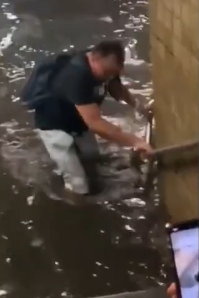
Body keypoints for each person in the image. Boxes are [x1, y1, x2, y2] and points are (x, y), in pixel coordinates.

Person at [24, 40, 153, 196]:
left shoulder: (104, 66)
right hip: (54, 125)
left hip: (78, 120)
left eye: (113, 73)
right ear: (93, 59)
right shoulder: (76, 76)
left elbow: (115, 87)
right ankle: (74, 202)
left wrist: (139, 106)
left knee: (92, 158)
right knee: (79, 185)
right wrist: (136, 141)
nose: (108, 76)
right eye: (106, 73)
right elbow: (95, 123)